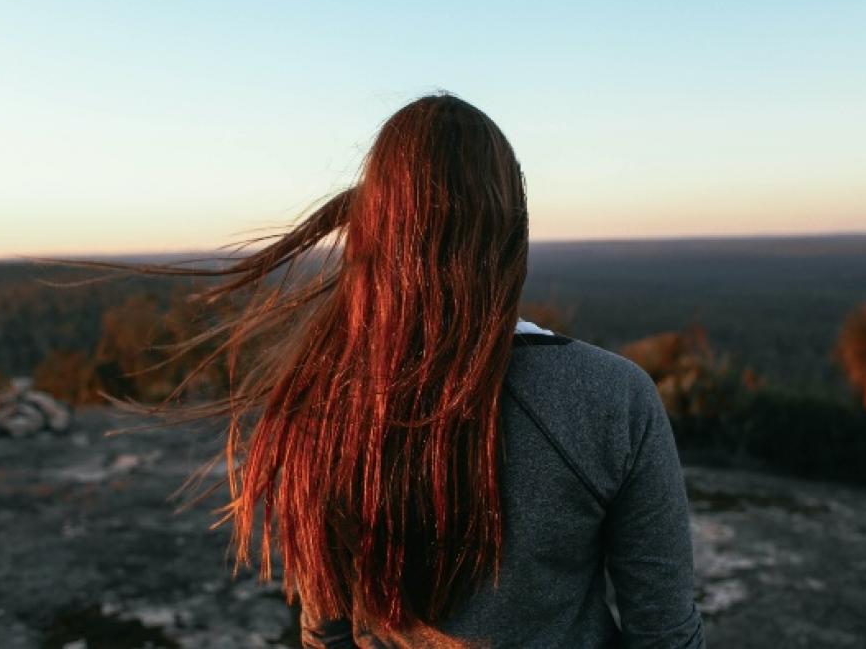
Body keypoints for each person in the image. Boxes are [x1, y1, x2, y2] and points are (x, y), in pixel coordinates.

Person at [113, 94, 705, 647]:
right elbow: (666, 635)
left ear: (373, 234)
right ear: (513, 235)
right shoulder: (609, 398)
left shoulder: (323, 402)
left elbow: (327, 634)